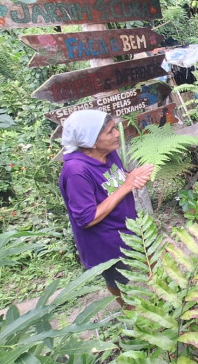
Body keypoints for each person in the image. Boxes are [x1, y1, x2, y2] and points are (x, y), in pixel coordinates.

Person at [58, 110, 154, 306]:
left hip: (127, 227)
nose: (117, 133)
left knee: (146, 268)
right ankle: (132, 317)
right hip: (104, 242)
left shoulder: (108, 153)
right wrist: (127, 185)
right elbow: (86, 218)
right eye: (110, 132)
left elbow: (116, 181)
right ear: (91, 141)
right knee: (119, 282)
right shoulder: (76, 172)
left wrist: (131, 177)